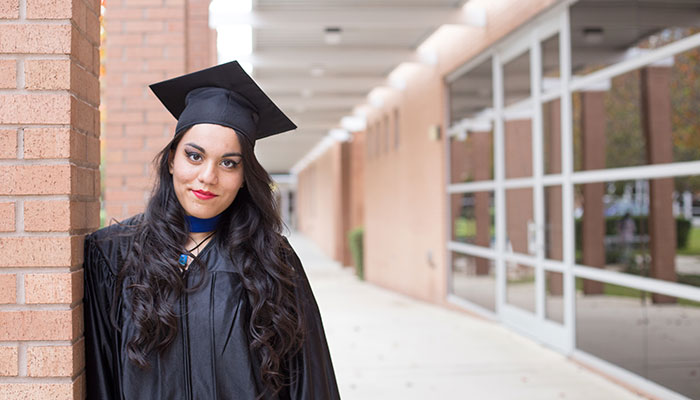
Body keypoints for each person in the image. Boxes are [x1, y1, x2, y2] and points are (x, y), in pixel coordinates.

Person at [83, 61, 341, 399]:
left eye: (228, 163)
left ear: (245, 176)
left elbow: (309, 381)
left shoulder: (272, 259)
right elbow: (103, 379)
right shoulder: (113, 255)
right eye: (194, 156)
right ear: (172, 159)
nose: (208, 176)